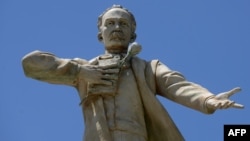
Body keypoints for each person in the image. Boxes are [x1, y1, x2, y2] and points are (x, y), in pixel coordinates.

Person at [22, 5, 244, 141]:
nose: (117, 28)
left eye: (123, 24)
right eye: (110, 23)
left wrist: (209, 99)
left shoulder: (147, 68)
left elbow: (177, 86)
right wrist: (80, 71)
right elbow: (31, 64)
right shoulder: (85, 67)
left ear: (132, 34)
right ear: (100, 34)